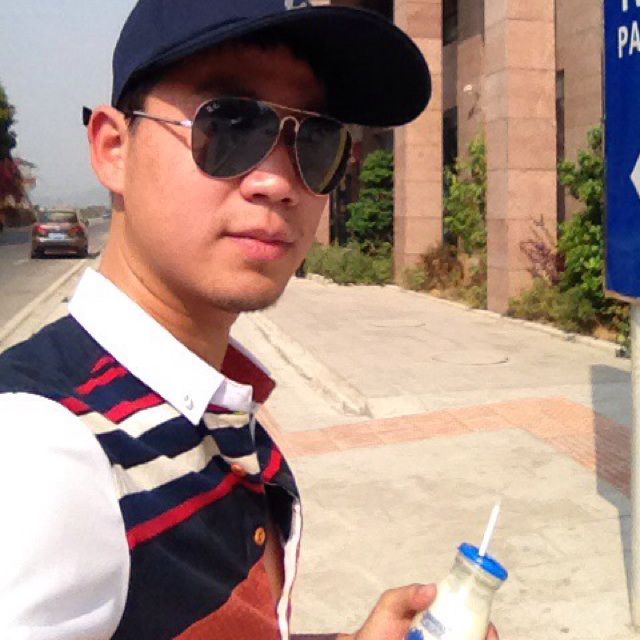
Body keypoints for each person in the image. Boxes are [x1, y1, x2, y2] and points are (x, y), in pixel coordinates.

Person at [0, 1, 498, 639]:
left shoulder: (208, 405)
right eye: (231, 124)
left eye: (315, 140)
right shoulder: (42, 453)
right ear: (114, 149)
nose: (278, 182)